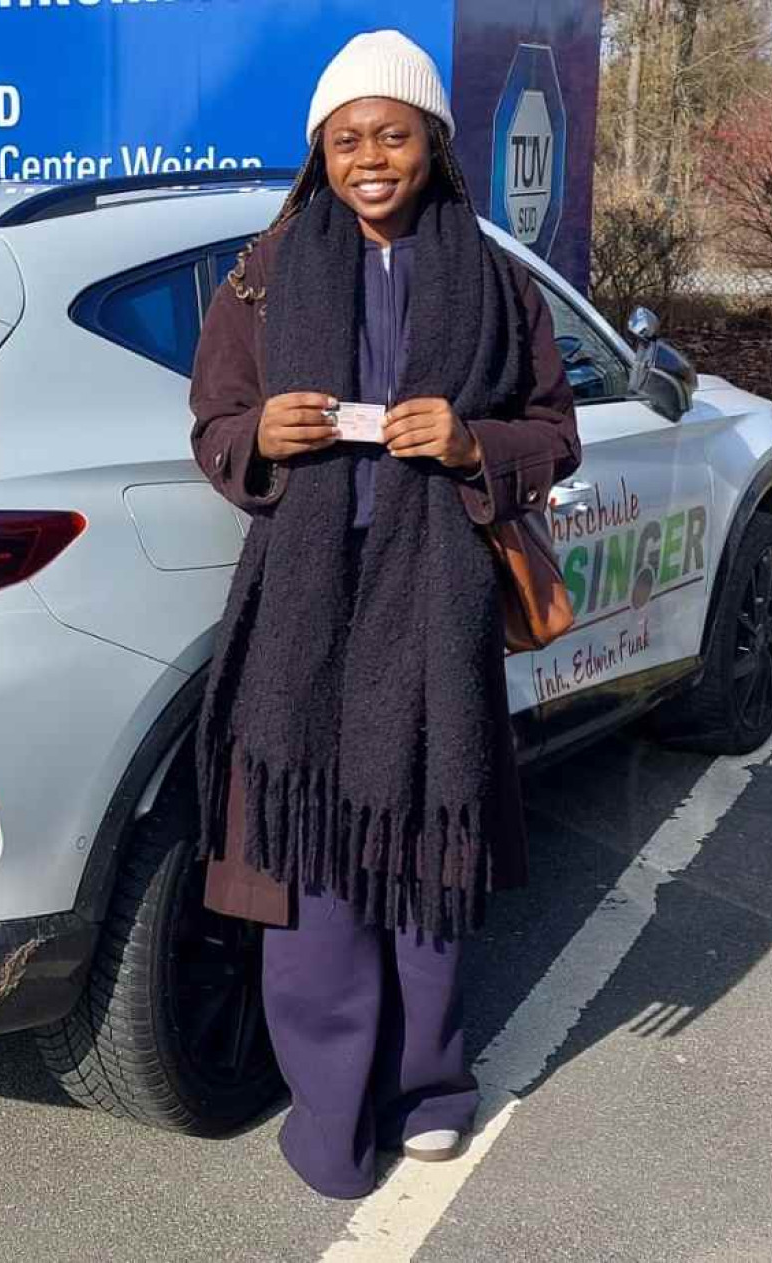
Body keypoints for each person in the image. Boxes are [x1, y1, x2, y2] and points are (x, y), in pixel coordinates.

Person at [189, 29, 581, 1200]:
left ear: (432, 144)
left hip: (432, 599)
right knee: (312, 863)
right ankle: (329, 1116)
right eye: (345, 139)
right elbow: (213, 423)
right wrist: (258, 436)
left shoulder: (497, 280)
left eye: (392, 134)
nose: (369, 157)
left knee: (425, 849)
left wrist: (469, 443)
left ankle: (429, 1094)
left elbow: (552, 434)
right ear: (320, 154)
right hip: (304, 608)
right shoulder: (261, 274)